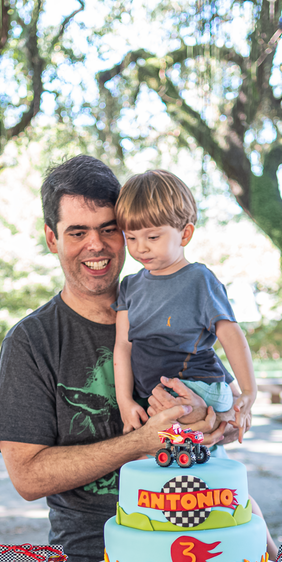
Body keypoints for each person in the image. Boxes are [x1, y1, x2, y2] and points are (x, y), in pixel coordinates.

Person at [0, 155, 269, 562]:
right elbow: (28, 477)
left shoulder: (182, 300)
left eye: (110, 229)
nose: (95, 245)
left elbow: (223, 410)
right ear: (52, 238)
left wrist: (215, 421)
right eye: (77, 232)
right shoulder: (32, 341)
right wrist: (139, 441)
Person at [112, 170, 258, 442]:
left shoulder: (199, 280)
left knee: (172, 428)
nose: (140, 248)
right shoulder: (129, 286)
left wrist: (249, 390)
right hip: (156, 393)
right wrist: (124, 402)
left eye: (152, 237)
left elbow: (230, 334)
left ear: (185, 234)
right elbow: (123, 345)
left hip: (199, 385)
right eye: (131, 238)